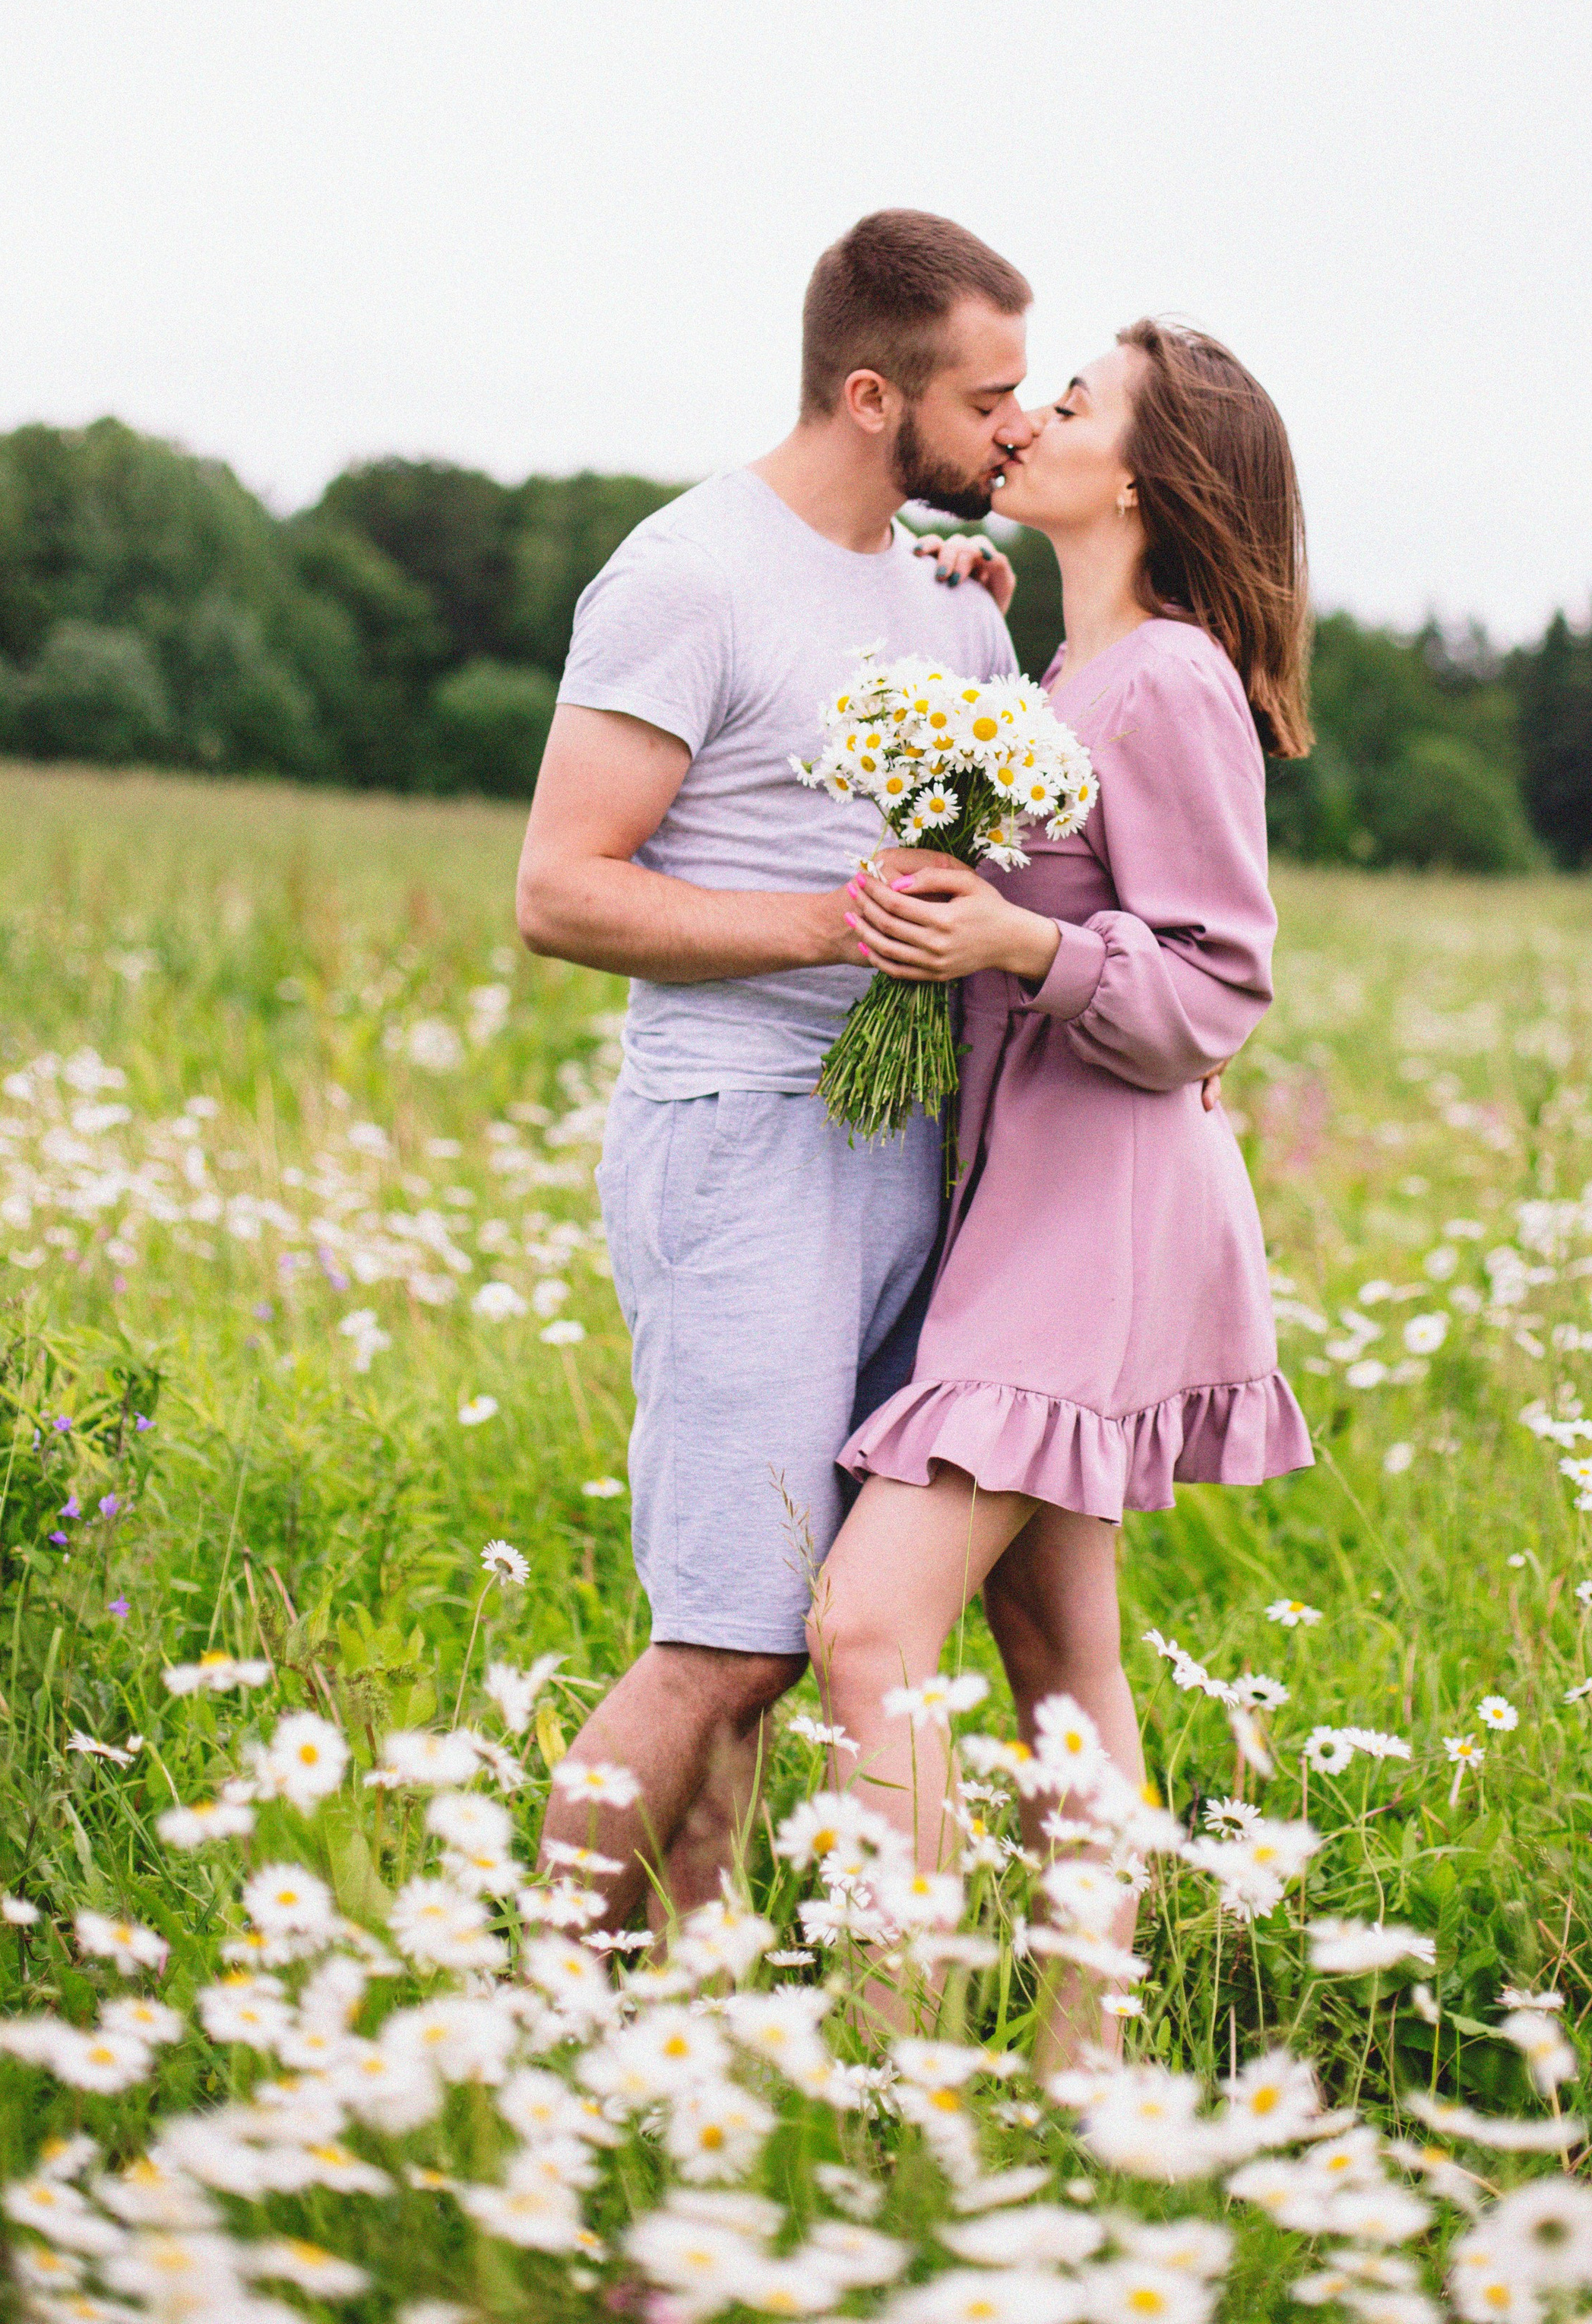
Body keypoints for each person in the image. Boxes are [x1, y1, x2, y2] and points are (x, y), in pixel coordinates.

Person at [516, 208, 1032, 1928]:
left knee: (802, 1639)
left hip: (913, 1158)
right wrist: (829, 927)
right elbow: (561, 891)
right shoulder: (687, 573)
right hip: (739, 1136)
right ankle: (547, 2014)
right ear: (874, 394)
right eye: (988, 400)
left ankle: (684, 2019)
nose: (1014, 433)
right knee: (719, 1639)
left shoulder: (947, 599)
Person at [815, 318, 1315, 2038]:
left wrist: (1020, 944)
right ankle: (1082, 2068)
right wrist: (962, 604)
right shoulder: (1072, 674)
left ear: (1149, 479)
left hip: (1092, 1221)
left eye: (1075, 404)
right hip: (1029, 1202)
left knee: (864, 1636)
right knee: (1058, 1666)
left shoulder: (1169, 678)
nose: (1030, 417)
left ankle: (894, 2067)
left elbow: (1216, 988)